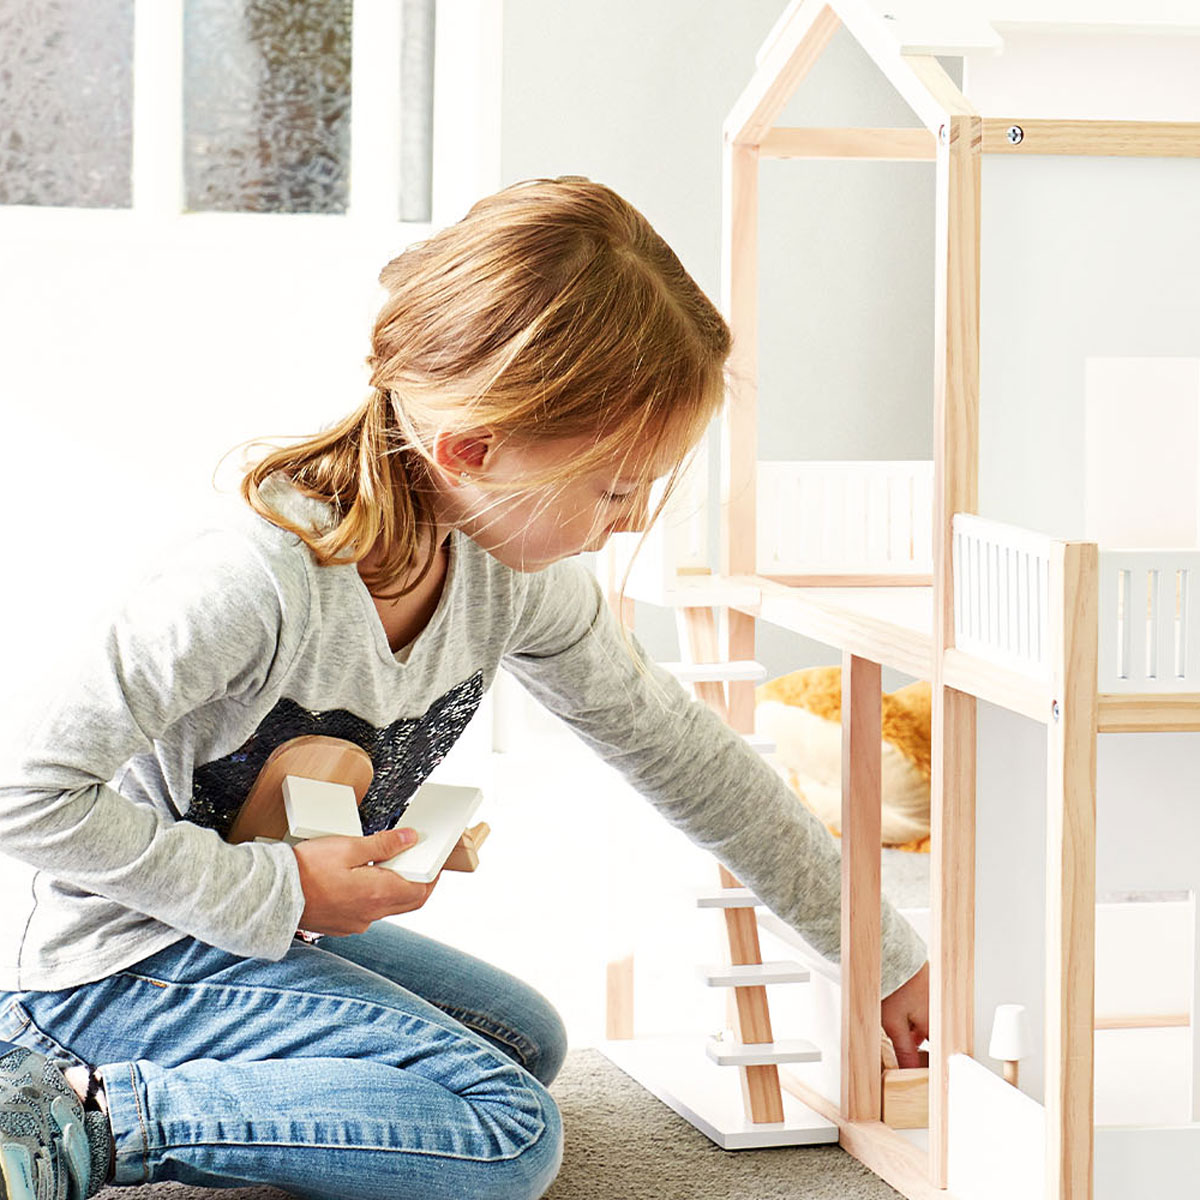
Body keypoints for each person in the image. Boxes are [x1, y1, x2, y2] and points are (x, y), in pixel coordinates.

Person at [0, 177, 929, 1200]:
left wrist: (880, 950)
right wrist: (284, 890)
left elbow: (686, 755)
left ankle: (188, 1079)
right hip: (119, 964)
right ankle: (84, 1118)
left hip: (239, 942)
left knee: (526, 1043)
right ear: (471, 450)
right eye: (615, 489)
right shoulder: (249, 583)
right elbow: (22, 793)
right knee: (503, 1134)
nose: (628, 522)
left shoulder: (507, 578)